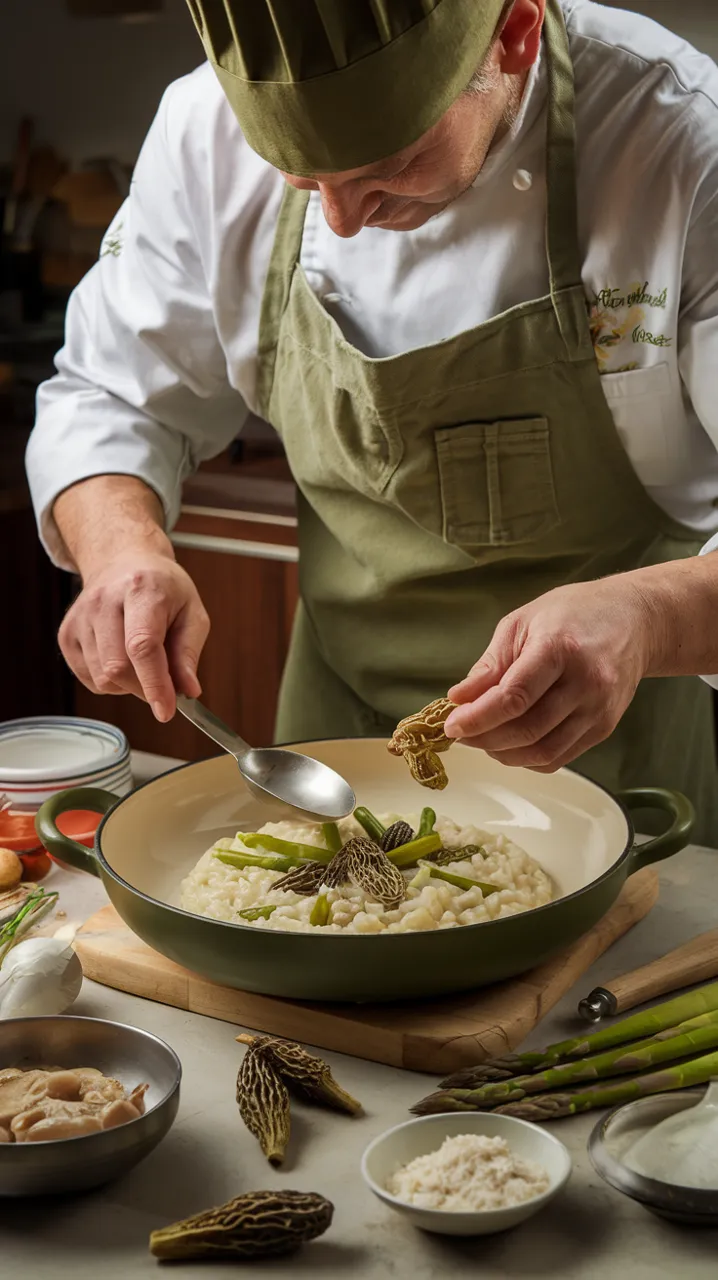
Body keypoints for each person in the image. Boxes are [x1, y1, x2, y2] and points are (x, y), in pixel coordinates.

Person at [25, 0, 718, 841]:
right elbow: (112, 392)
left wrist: (647, 619)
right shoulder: (203, 130)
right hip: (329, 740)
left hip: (613, 750)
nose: (343, 222)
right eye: (300, 179)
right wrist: (121, 553)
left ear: (514, 33)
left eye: (394, 164)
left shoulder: (681, 140)